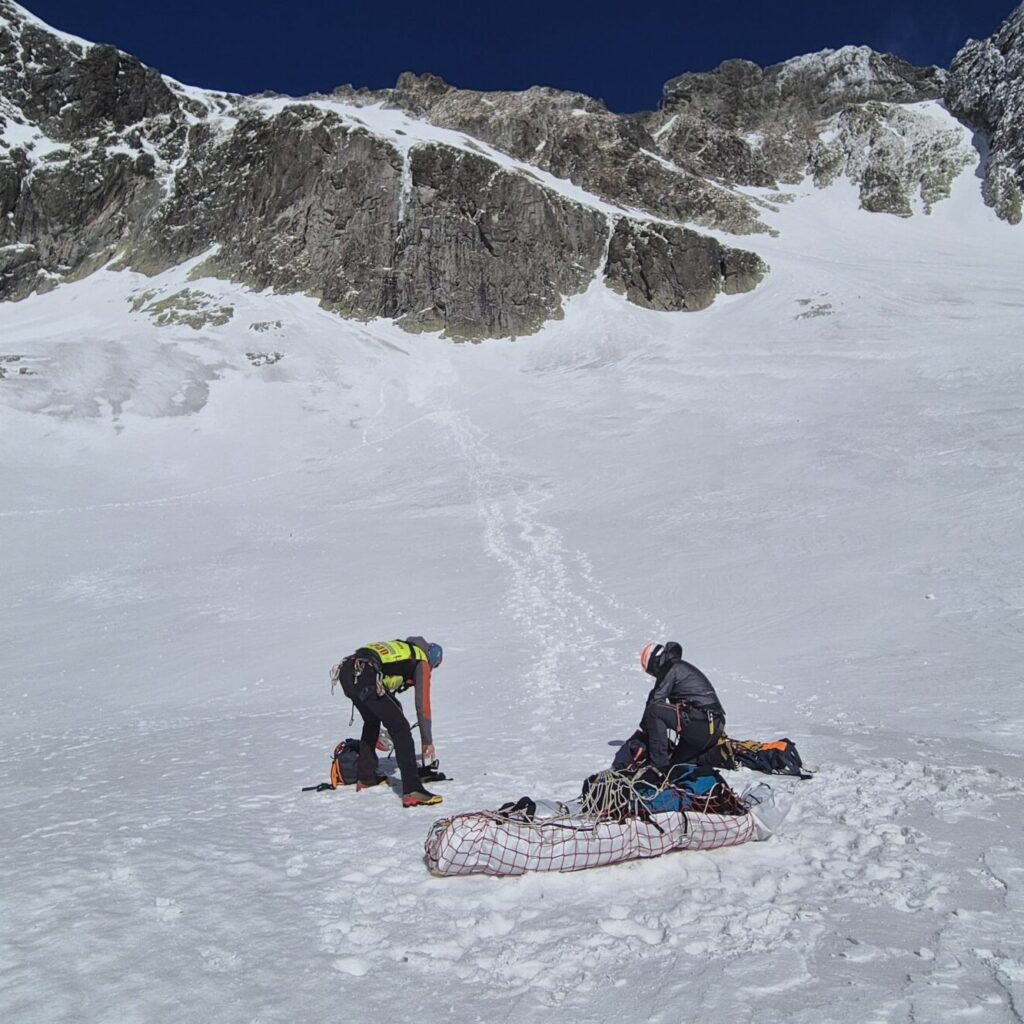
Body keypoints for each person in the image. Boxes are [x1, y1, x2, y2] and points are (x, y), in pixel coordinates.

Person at [330, 637, 443, 807]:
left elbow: (389, 702)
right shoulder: (421, 660)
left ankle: (366, 778)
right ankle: (413, 790)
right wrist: (427, 740)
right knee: (401, 729)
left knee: (372, 721)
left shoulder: (403, 649)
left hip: (348, 672)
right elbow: (423, 704)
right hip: (365, 674)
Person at [637, 641, 725, 772]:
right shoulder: (680, 667)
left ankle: (657, 767)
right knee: (676, 767)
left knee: (654, 711)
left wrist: (645, 730)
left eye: (651, 671)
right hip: (713, 726)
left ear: (655, 662)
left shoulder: (671, 667)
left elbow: (656, 701)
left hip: (703, 722)